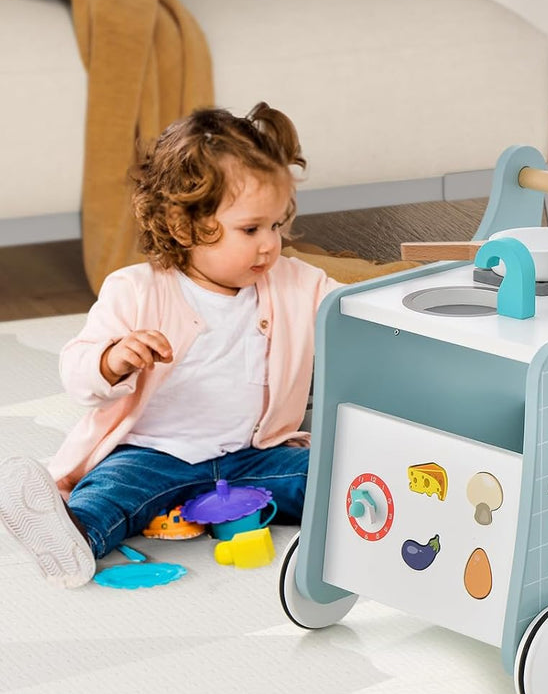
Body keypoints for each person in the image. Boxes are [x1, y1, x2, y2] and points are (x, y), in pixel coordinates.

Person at [0, 103, 340, 586]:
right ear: (184, 227)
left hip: (252, 454)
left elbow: (351, 312)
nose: (270, 244)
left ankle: (367, 514)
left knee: (327, 474)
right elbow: (76, 370)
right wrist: (113, 359)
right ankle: (71, 535)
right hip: (153, 452)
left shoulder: (296, 283)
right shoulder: (135, 289)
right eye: (250, 229)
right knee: (111, 491)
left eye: (277, 225)